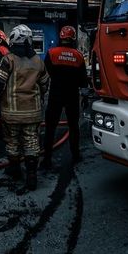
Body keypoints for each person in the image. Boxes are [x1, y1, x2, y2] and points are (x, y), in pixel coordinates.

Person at [0, 24, 50, 191]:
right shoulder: (38, 61)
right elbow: (45, 84)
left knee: (12, 142)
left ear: (13, 39)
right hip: (32, 113)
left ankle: (14, 170)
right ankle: (31, 176)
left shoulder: (9, 60)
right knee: (31, 142)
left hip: (11, 112)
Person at [42, 26, 87, 168]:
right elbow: (83, 81)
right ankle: (75, 155)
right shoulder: (79, 56)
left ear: (61, 37)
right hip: (72, 95)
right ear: (73, 38)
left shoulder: (52, 53)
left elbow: (44, 74)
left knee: (50, 127)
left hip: (55, 94)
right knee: (74, 127)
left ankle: (47, 159)